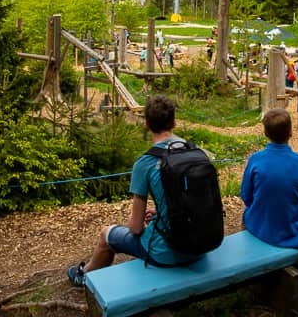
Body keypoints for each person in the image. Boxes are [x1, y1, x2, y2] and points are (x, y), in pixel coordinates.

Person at [67, 96, 204, 285]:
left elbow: (136, 228)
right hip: (201, 246)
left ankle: (84, 276)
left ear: (146, 124)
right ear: (174, 122)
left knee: (106, 234)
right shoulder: (196, 152)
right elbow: (197, 200)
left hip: (167, 253)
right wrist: (163, 211)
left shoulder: (145, 163)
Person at [240, 108, 298, 248]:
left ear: (266, 133)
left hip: (257, 227)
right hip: (292, 232)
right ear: (290, 133)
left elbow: (246, 197)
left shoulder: (255, 160)